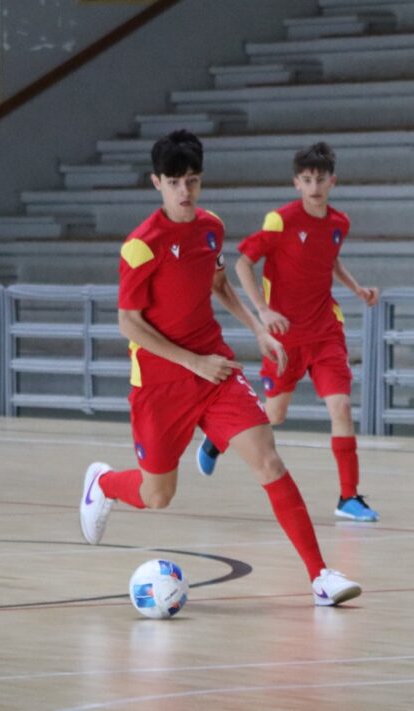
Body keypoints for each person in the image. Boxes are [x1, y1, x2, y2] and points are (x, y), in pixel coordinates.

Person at [80, 130, 362, 606]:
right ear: (156, 183)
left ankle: (321, 576)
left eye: (192, 181)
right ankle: (103, 483)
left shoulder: (210, 227)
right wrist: (192, 362)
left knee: (269, 460)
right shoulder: (140, 246)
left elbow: (219, 284)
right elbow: (129, 323)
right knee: (157, 495)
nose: (185, 192)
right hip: (162, 382)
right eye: (174, 182)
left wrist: (257, 328)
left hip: (216, 372)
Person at [196, 142, 380, 523]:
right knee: (275, 414)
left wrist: (356, 288)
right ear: (297, 183)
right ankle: (217, 437)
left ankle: (348, 497)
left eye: (321, 179)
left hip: (325, 332)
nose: (314, 187)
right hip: (285, 337)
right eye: (307, 180)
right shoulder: (280, 221)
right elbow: (243, 263)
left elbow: (330, 259)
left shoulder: (339, 223)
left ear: (332, 182)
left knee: (342, 408)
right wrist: (263, 311)